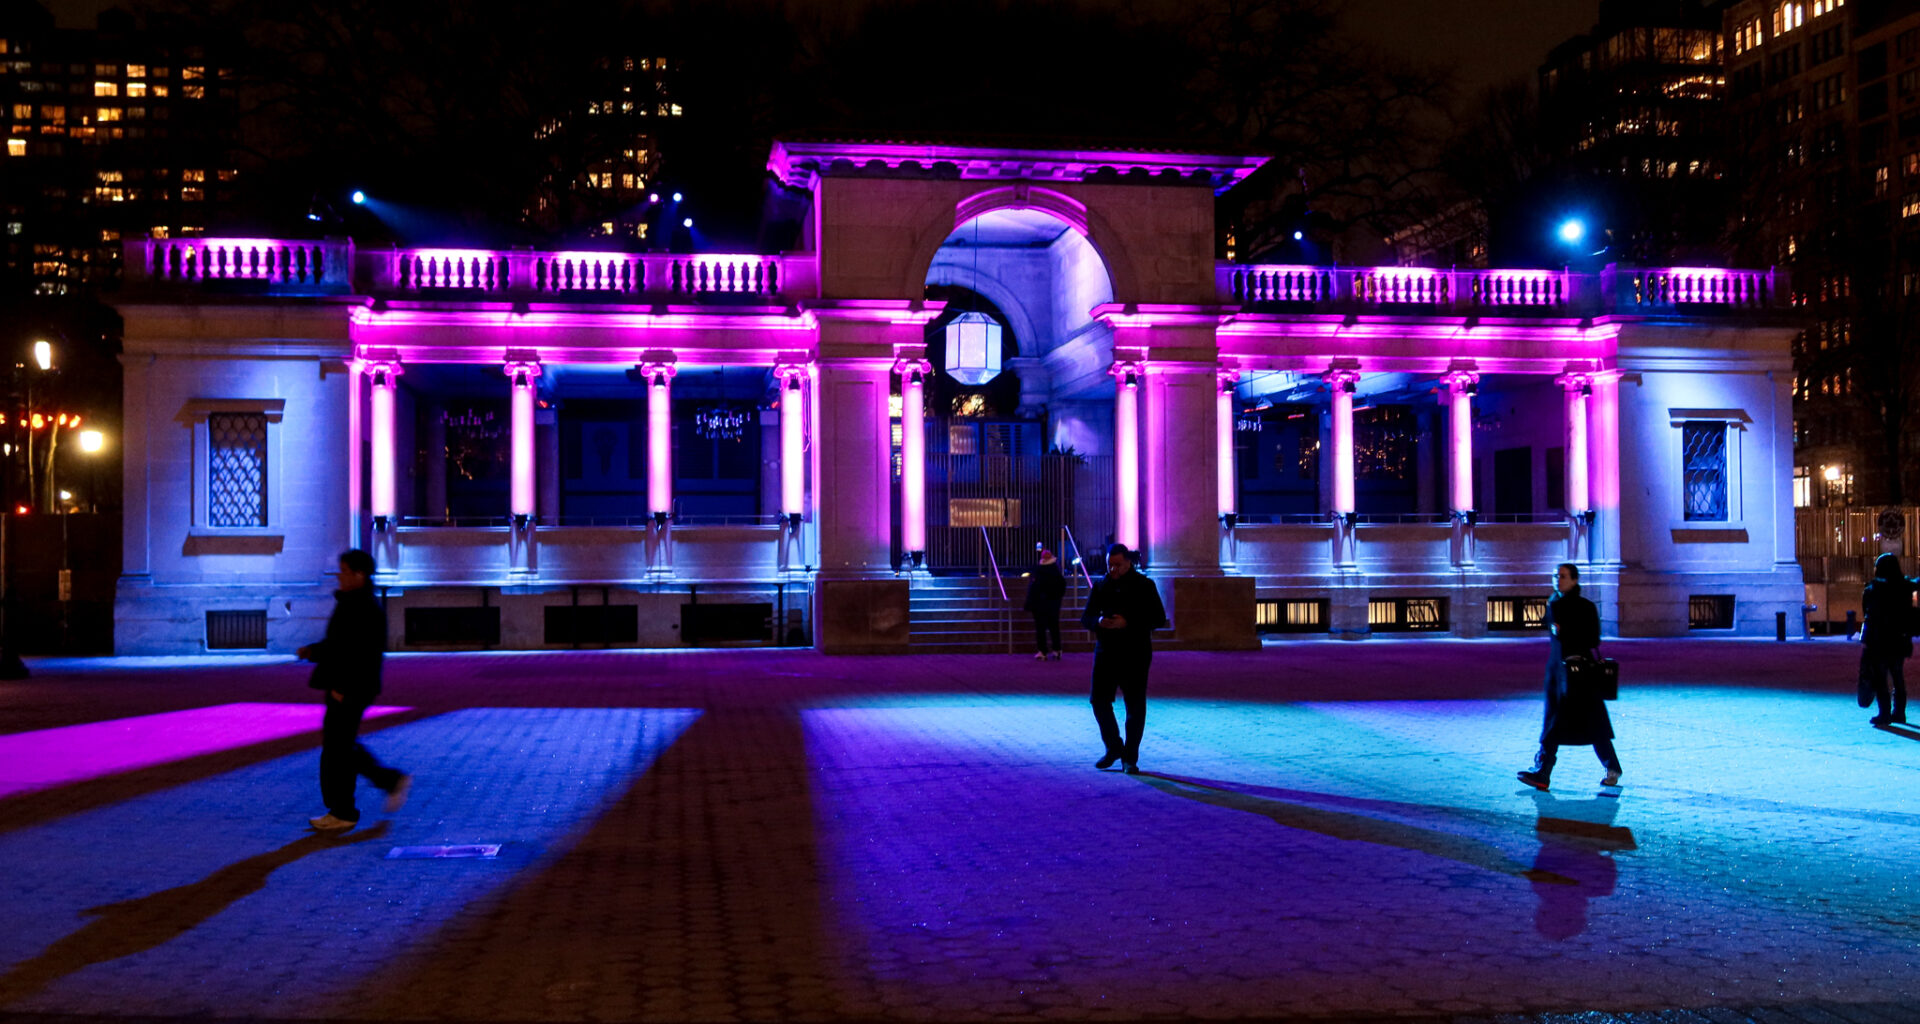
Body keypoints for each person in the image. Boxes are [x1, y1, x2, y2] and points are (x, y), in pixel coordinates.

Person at [297, 549, 409, 831]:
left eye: (344, 571)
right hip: (349, 685)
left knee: (338, 748)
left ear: (358, 575)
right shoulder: (354, 603)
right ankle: (384, 784)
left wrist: (342, 687)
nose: (340, 576)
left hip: (350, 688)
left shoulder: (362, 607)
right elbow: (338, 645)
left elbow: (357, 653)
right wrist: (313, 651)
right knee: (341, 746)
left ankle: (344, 810)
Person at [1517, 562, 1621, 792]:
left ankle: (1611, 767)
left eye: (1563, 576)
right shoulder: (1555, 603)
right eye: (1555, 575)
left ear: (1575, 580)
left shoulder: (1579, 606)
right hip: (1559, 674)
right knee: (1559, 722)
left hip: (1577, 673)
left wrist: (1569, 631)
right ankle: (1543, 772)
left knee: (1589, 722)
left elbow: (1592, 639)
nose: (1557, 580)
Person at [1080, 543, 1167, 774]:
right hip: (1106, 651)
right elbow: (1086, 616)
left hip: (1135, 653)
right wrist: (1098, 622)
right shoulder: (1101, 585)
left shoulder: (1144, 585)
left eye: (1117, 565)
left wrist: (1127, 622)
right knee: (1098, 700)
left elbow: (1158, 618)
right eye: (1110, 565)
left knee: (1135, 706)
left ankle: (1130, 757)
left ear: (1128, 563)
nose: (1113, 569)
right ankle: (1114, 746)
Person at [1861, 552, 1912, 726]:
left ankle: (1884, 713)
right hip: (1898, 638)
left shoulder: (1873, 589)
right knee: (1898, 676)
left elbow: (1866, 612)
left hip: (1879, 639)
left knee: (1880, 678)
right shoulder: (1904, 587)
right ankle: (1899, 712)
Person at [1024, 548, 1067, 660]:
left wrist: (1031, 602)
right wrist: (1056, 598)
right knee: (1054, 627)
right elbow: (1061, 586)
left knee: (1041, 628)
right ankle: (1057, 650)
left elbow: (1034, 587)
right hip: (1053, 604)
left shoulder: (1039, 570)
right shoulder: (1055, 571)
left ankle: (1043, 651)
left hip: (1040, 604)